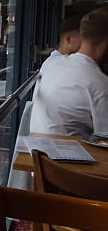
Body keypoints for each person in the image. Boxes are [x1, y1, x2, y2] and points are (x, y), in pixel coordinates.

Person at [30, 8, 108, 138]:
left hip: (35, 152)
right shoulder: (100, 83)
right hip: (65, 157)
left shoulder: (52, 63)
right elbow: (105, 138)